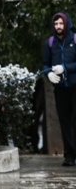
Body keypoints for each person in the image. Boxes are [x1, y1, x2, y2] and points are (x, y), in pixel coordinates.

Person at [42, 12, 76, 166]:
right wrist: (48, 74)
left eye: (61, 23)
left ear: (66, 24)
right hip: (60, 89)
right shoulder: (50, 43)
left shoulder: (74, 40)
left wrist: (65, 68)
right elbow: (45, 65)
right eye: (56, 24)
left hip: (75, 87)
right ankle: (69, 156)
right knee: (64, 122)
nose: (58, 27)